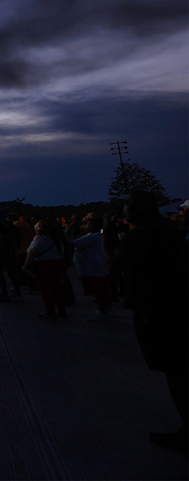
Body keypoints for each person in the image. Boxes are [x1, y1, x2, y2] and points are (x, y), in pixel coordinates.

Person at [113, 190, 188, 453]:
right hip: (178, 301)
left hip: (157, 308)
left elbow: (115, 263)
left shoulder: (137, 237)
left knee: (175, 369)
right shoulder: (169, 228)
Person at [22, 217, 69, 320]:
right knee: (57, 289)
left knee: (47, 290)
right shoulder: (58, 238)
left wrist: (25, 266)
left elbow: (32, 252)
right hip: (58, 265)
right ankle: (61, 311)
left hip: (45, 266)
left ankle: (50, 312)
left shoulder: (41, 238)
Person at [72, 213, 112, 321]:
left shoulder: (91, 237)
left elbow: (74, 243)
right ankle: (107, 310)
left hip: (93, 267)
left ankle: (103, 312)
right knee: (103, 290)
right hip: (101, 266)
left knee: (98, 291)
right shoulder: (100, 235)